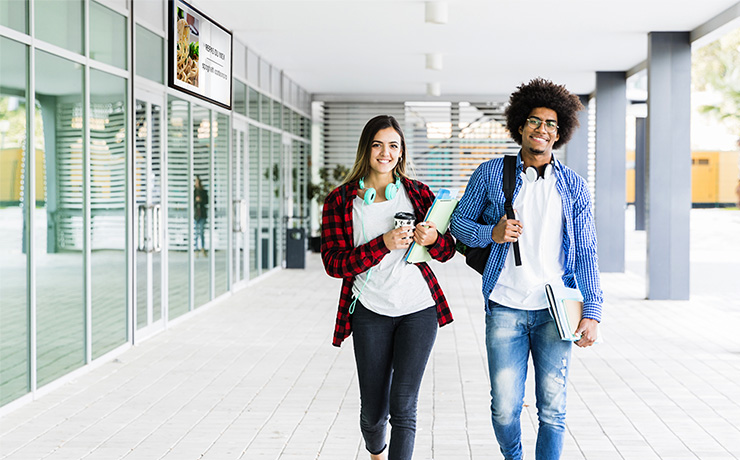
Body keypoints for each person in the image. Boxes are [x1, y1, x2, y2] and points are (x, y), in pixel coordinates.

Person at [450, 78, 603, 460]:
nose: (543, 129)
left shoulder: (574, 187)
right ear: (520, 126)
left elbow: (585, 252)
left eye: (551, 124)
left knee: (553, 410)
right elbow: (458, 225)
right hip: (505, 305)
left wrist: (594, 312)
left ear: (560, 132)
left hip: (556, 311)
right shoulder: (490, 174)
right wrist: (493, 232)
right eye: (535, 121)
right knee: (504, 408)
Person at [321, 115, 456, 460]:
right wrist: (382, 243)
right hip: (370, 311)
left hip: (418, 309)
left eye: (393, 145)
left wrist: (434, 238)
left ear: (401, 152)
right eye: (378, 144)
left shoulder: (419, 195)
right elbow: (334, 264)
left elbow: (446, 251)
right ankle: (375, 451)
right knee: (373, 413)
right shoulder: (341, 201)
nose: (386, 152)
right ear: (366, 149)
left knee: (404, 406)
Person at [193, 175, 208, 256]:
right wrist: (196, 201)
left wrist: (201, 200)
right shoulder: (194, 192)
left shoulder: (204, 192)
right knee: (195, 233)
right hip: (196, 215)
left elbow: (206, 202)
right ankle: (196, 249)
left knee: (201, 232)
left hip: (202, 215)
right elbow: (192, 203)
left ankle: (202, 248)